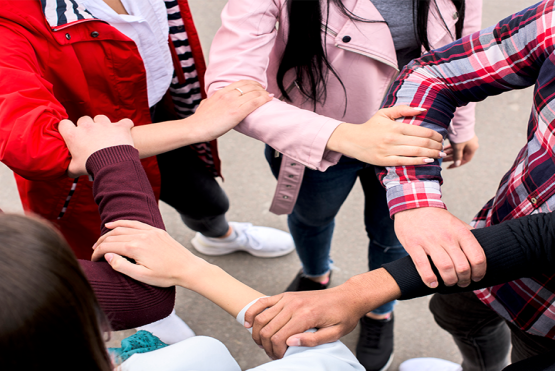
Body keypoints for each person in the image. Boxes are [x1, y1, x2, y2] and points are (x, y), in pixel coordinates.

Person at [235, 0, 555, 369]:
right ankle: (315, 274)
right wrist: (416, 200)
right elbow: (443, 70)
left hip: (545, 311)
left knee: (390, 240)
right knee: (314, 220)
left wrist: (363, 295)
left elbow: (542, 237)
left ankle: (380, 314)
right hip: (348, 144)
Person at [0, 0, 287, 343]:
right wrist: (197, 127)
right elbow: (37, 144)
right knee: (117, 255)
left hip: (155, 113)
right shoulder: (13, 19)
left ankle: (218, 237)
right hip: (91, 158)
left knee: (208, 200)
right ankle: (152, 318)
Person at [0, 111, 364, 371]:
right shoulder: (189, 360)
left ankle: (221, 236)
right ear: (85, 319)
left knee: (208, 202)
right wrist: (194, 270)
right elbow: (330, 359)